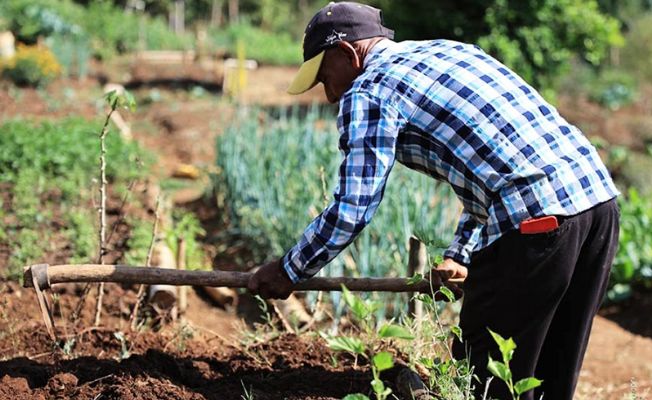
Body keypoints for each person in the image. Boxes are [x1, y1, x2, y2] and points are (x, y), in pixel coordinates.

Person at [247, 2, 620, 399]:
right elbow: (497, 164)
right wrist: (460, 254)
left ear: (347, 53)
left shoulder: (370, 90)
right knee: (548, 376)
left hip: (537, 223)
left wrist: (290, 269)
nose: (329, 95)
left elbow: (352, 208)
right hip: (598, 204)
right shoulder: (451, 51)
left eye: (325, 77)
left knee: (487, 374)